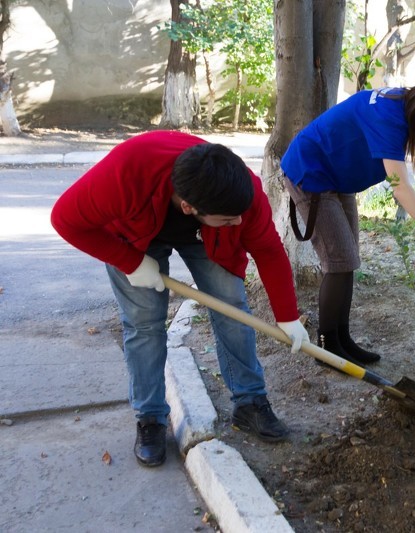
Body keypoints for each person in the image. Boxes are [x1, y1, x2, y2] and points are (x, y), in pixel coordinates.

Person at [51, 131, 310, 467]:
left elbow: (268, 249)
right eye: (232, 219)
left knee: (232, 307)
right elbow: (64, 219)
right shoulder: (125, 174)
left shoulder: (240, 192)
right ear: (189, 207)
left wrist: (287, 316)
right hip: (132, 233)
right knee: (144, 324)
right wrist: (129, 261)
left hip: (207, 235)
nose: (240, 222)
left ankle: (250, 403)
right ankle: (151, 419)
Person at [281, 75, 415, 365]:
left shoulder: (402, 106)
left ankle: (341, 338)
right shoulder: (389, 116)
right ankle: (327, 347)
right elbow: (400, 186)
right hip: (311, 174)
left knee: (348, 261)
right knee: (340, 261)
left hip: (337, 178)